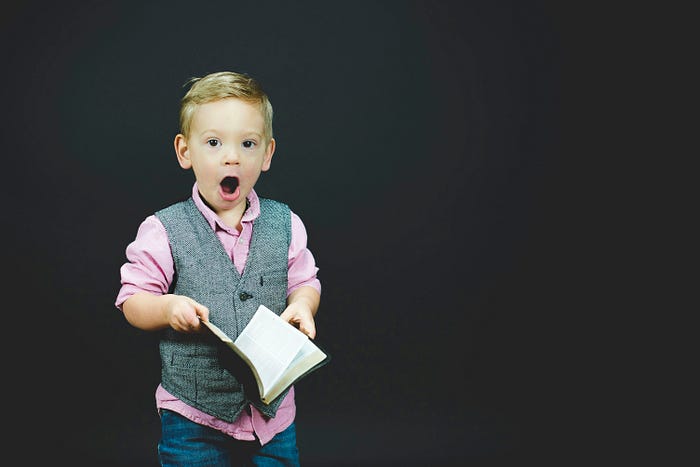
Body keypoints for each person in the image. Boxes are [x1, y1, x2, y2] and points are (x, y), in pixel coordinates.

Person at [115, 71, 321, 466]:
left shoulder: (286, 223)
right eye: (213, 143)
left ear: (267, 154)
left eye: (248, 144)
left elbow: (305, 280)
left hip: (272, 415)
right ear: (185, 151)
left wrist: (303, 305)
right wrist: (166, 308)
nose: (232, 156)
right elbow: (131, 300)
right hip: (193, 415)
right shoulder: (163, 229)